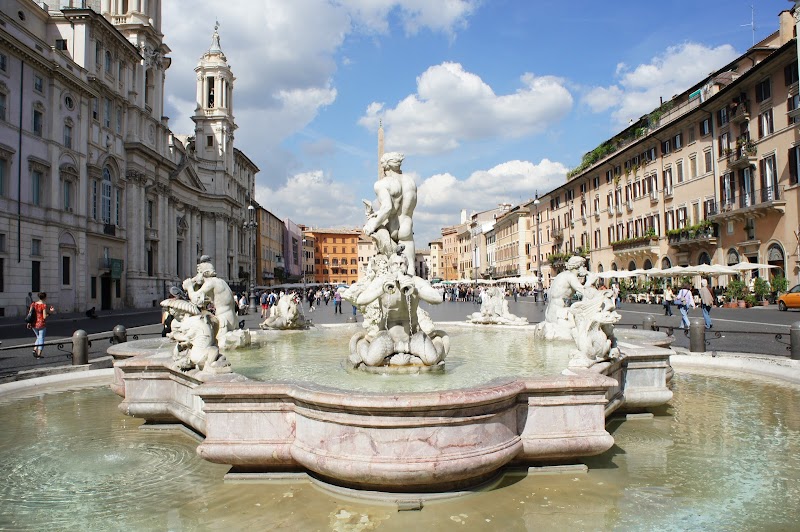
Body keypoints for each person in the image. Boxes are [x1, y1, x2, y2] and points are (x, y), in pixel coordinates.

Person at [363, 152, 417, 274]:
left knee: (389, 271)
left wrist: (371, 225)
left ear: (385, 167)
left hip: (392, 228)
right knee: (410, 271)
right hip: (407, 225)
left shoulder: (382, 184)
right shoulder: (411, 183)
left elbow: (387, 208)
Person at [27, 292, 54, 358]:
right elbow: (44, 316)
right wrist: (50, 312)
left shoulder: (33, 304)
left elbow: (29, 314)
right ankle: (39, 354)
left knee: (38, 337)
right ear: (45, 297)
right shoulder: (43, 305)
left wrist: (29, 323)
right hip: (41, 324)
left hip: (33, 323)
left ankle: (34, 349)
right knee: (41, 338)